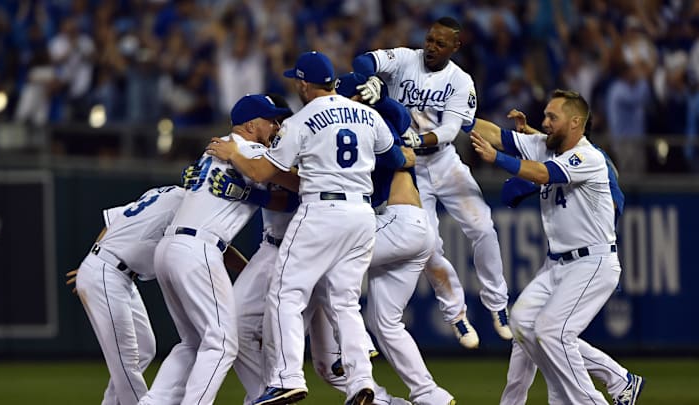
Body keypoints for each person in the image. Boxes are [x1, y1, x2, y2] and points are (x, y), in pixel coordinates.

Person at [205, 50, 411, 405]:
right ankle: (361, 379)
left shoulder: (302, 120)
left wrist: (234, 155)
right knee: (345, 301)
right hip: (361, 215)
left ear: (303, 83)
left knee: (286, 293)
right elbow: (394, 156)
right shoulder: (366, 114)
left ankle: (287, 378)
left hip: (322, 210)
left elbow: (263, 172)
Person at [352, 16, 511, 346]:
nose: (431, 47)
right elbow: (364, 60)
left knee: (482, 226)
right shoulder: (407, 59)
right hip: (410, 171)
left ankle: (498, 305)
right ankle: (457, 315)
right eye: (429, 39)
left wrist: (417, 141)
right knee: (429, 245)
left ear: (455, 46)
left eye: (440, 43)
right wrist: (369, 79)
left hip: (443, 161)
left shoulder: (460, 81)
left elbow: (452, 130)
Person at [473, 111, 644, 405]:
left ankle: (614, 379)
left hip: (584, 259)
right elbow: (546, 162)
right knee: (526, 331)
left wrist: (517, 159)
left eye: (555, 119)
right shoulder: (566, 154)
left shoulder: (592, 161)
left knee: (550, 335)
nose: (549, 127)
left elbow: (540, 175)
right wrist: (531, 135)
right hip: (558, 260)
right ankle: (616, 378)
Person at [137, 93, 292, 405]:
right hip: (198, 248)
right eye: (270, 119)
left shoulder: (214, 149)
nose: (276, 125)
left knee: (193, 342)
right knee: (221, 342)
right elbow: (291, 195)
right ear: (250, 125)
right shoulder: (250, 152)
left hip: (169, 248)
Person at [335, 72, 455, 405]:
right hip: (411, 229)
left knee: (328, 264)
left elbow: (398, 132)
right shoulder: (370, 123)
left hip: (398, 222)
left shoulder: (370, 123)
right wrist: (386, 102)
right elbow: (401, 121)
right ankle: (430, 394)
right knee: (384, 321)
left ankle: (346, 351)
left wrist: (384, 100)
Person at [70, 185, 184, 405]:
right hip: (108, 272)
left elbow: (114, 220)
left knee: (145, 348)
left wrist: (93, 258)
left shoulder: (164, 193)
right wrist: (96, 261)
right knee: (126, 360)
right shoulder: (184, 202)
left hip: (116, 273)